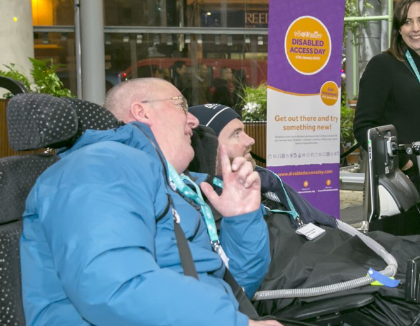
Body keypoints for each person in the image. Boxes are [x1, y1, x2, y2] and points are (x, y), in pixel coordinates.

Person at [20, 78, 279, 326]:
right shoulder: (100, 165)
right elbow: (113, 287)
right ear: (141, 112)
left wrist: (241, 218)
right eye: (181, 105)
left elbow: (237, 289)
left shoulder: (172, 183)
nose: (194, 120)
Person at [353, 0, 420, 247]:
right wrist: (402, 162)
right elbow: (364, 128)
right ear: (398, 29)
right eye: (407, 22)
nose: (416, 28)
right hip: (402, 180)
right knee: (406, 255)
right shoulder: (382, 66)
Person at [188, 103, 337, 228]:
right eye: (236, 134)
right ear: (209, 148)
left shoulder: (267, 180)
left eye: (244, 131)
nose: (250, 140)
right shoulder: (203, 212)